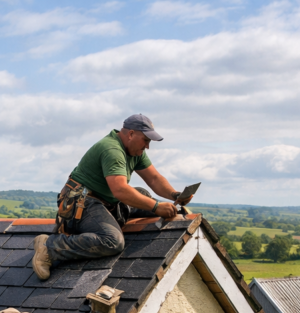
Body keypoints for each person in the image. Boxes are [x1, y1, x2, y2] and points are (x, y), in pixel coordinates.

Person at [32, 113, 193, 279]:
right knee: (113, 241)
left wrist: (174, 195)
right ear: (131, 134)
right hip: (82, 203)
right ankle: (50, 247)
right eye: (145, 140)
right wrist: (156, 206)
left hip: (106, 201)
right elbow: (120, 190)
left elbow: (154, 178)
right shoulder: (112, 150)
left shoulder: (134, 150)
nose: (147, 146)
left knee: (143, 195)